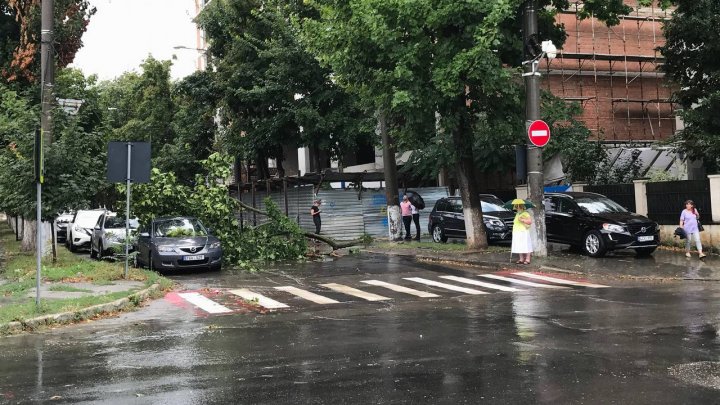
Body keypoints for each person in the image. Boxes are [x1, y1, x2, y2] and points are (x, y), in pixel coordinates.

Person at [511, 199, 533, 264]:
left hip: (523, 231)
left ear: (522, 207)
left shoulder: (526, 213)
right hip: (516, 232)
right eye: (516, 207)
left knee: (525, 245)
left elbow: (529, 222)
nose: (517, 208)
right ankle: (521, 259)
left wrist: (522, 220)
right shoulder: (517, 214)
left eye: (518, 207)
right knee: (519, 245)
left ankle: (527, 259)